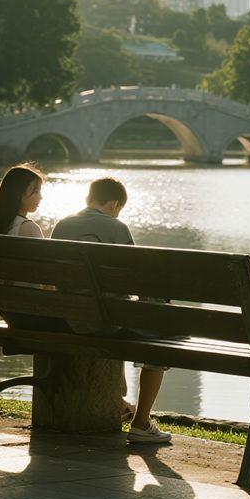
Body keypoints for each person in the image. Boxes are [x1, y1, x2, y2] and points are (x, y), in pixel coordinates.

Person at [51, 177, 171, 445]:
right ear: (115, 204)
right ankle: (141, 423)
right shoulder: (116, 227)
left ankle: (125, 406)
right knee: (165, 330)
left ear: (87, 199)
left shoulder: (62, 225)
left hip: (71, 318)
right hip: (106, 320)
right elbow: (136, 278)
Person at [0, 163, 66, 331]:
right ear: (18, 195)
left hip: (10, 313)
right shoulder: (28, 228)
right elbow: (48, 283)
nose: (40, 197)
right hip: (35, 315)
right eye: (35, 191)